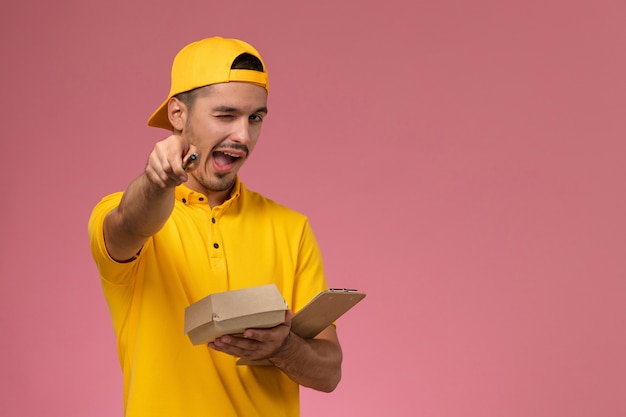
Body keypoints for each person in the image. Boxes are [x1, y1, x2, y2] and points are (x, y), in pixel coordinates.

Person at [88, 37, 342, 417]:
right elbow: (132, 223)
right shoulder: (118, 213)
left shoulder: (292, 228)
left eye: (255, 117)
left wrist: (282, 347)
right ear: (177, 114)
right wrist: (157, 182)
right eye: (225, 116)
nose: (243, 136)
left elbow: (329, 372)